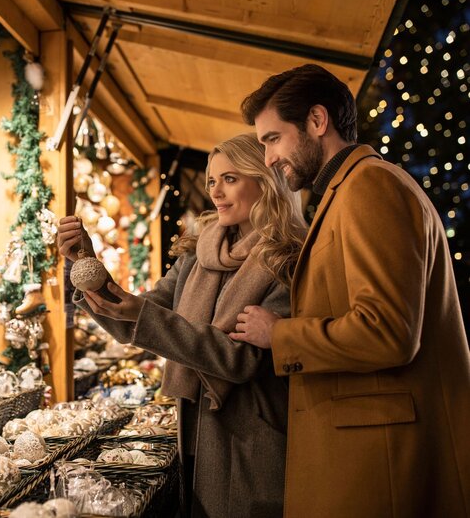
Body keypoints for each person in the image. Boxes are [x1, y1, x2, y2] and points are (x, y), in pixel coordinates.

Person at [230, 64, 470, 517]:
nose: (268, 159)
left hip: (381, 464)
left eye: (273, 139)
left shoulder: (370, 186)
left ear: (317, 122)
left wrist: (280, 335)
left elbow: (388, 332)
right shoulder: (347, 190)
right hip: (367, 454)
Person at [58, 134, 307, 518]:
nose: (216, 193)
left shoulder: (287, 259)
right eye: (211, 181)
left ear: (264, 180)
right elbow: (137, 318)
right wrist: (87, 265)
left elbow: (238, 359)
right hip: (194, 426)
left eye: (230, 179)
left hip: (251, 438)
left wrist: (144, 316)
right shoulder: (198, 253)